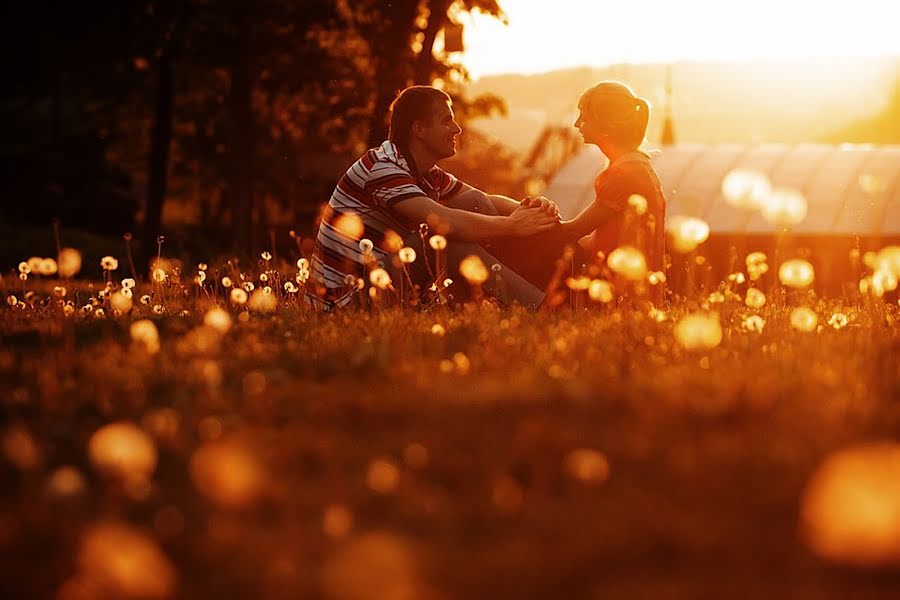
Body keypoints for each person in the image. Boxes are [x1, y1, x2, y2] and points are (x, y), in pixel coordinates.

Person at [309, 85, 560, 309]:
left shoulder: (424, 171)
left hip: (381, 280)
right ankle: (538, 307)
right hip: (346, 301)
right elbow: (444, 221)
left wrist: (531, 209)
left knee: (476, 203)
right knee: (441, 235)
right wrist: (513, 226)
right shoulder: (382, 167)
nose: (457, 128)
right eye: (446, 121)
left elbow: (485, 200)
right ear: (419, 129)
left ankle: (494, 300)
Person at [557, 81, 667, 297]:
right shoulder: (635, 166)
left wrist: (519, 223)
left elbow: (574, 230)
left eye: (584, 118)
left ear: (605, 125)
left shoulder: (624, 174)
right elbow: (594, 240)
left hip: (620, 294)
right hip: (633, 290)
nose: (577, 124)